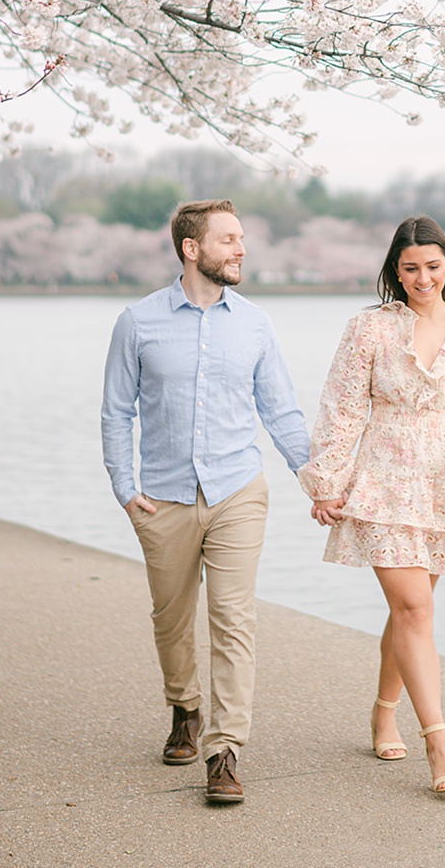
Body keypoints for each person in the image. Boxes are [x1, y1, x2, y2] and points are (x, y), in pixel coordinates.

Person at [99, 198, 312, 805]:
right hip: (161, 497)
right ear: (192, 249)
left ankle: (224, 752)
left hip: (237, 491)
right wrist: (124, 488)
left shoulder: (255, 324)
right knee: (170, 620)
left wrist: (314, 479)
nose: (241, 249)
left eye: (241, 238)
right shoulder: (137, 322)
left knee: (233, 620)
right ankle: (184, 709)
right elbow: (117, 411)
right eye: (228, 239)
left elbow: (282, 411)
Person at [298, 215, 445, 795]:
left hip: (443, 487)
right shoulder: (367, 330)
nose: (423, 277)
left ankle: (383, 709)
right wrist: (326, 482)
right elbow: (342, 409)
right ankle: (439, 742)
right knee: (416, 609)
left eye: (433, 266)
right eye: (411, 267)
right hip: (382, 483)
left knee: (408, 613)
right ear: (395, 271)